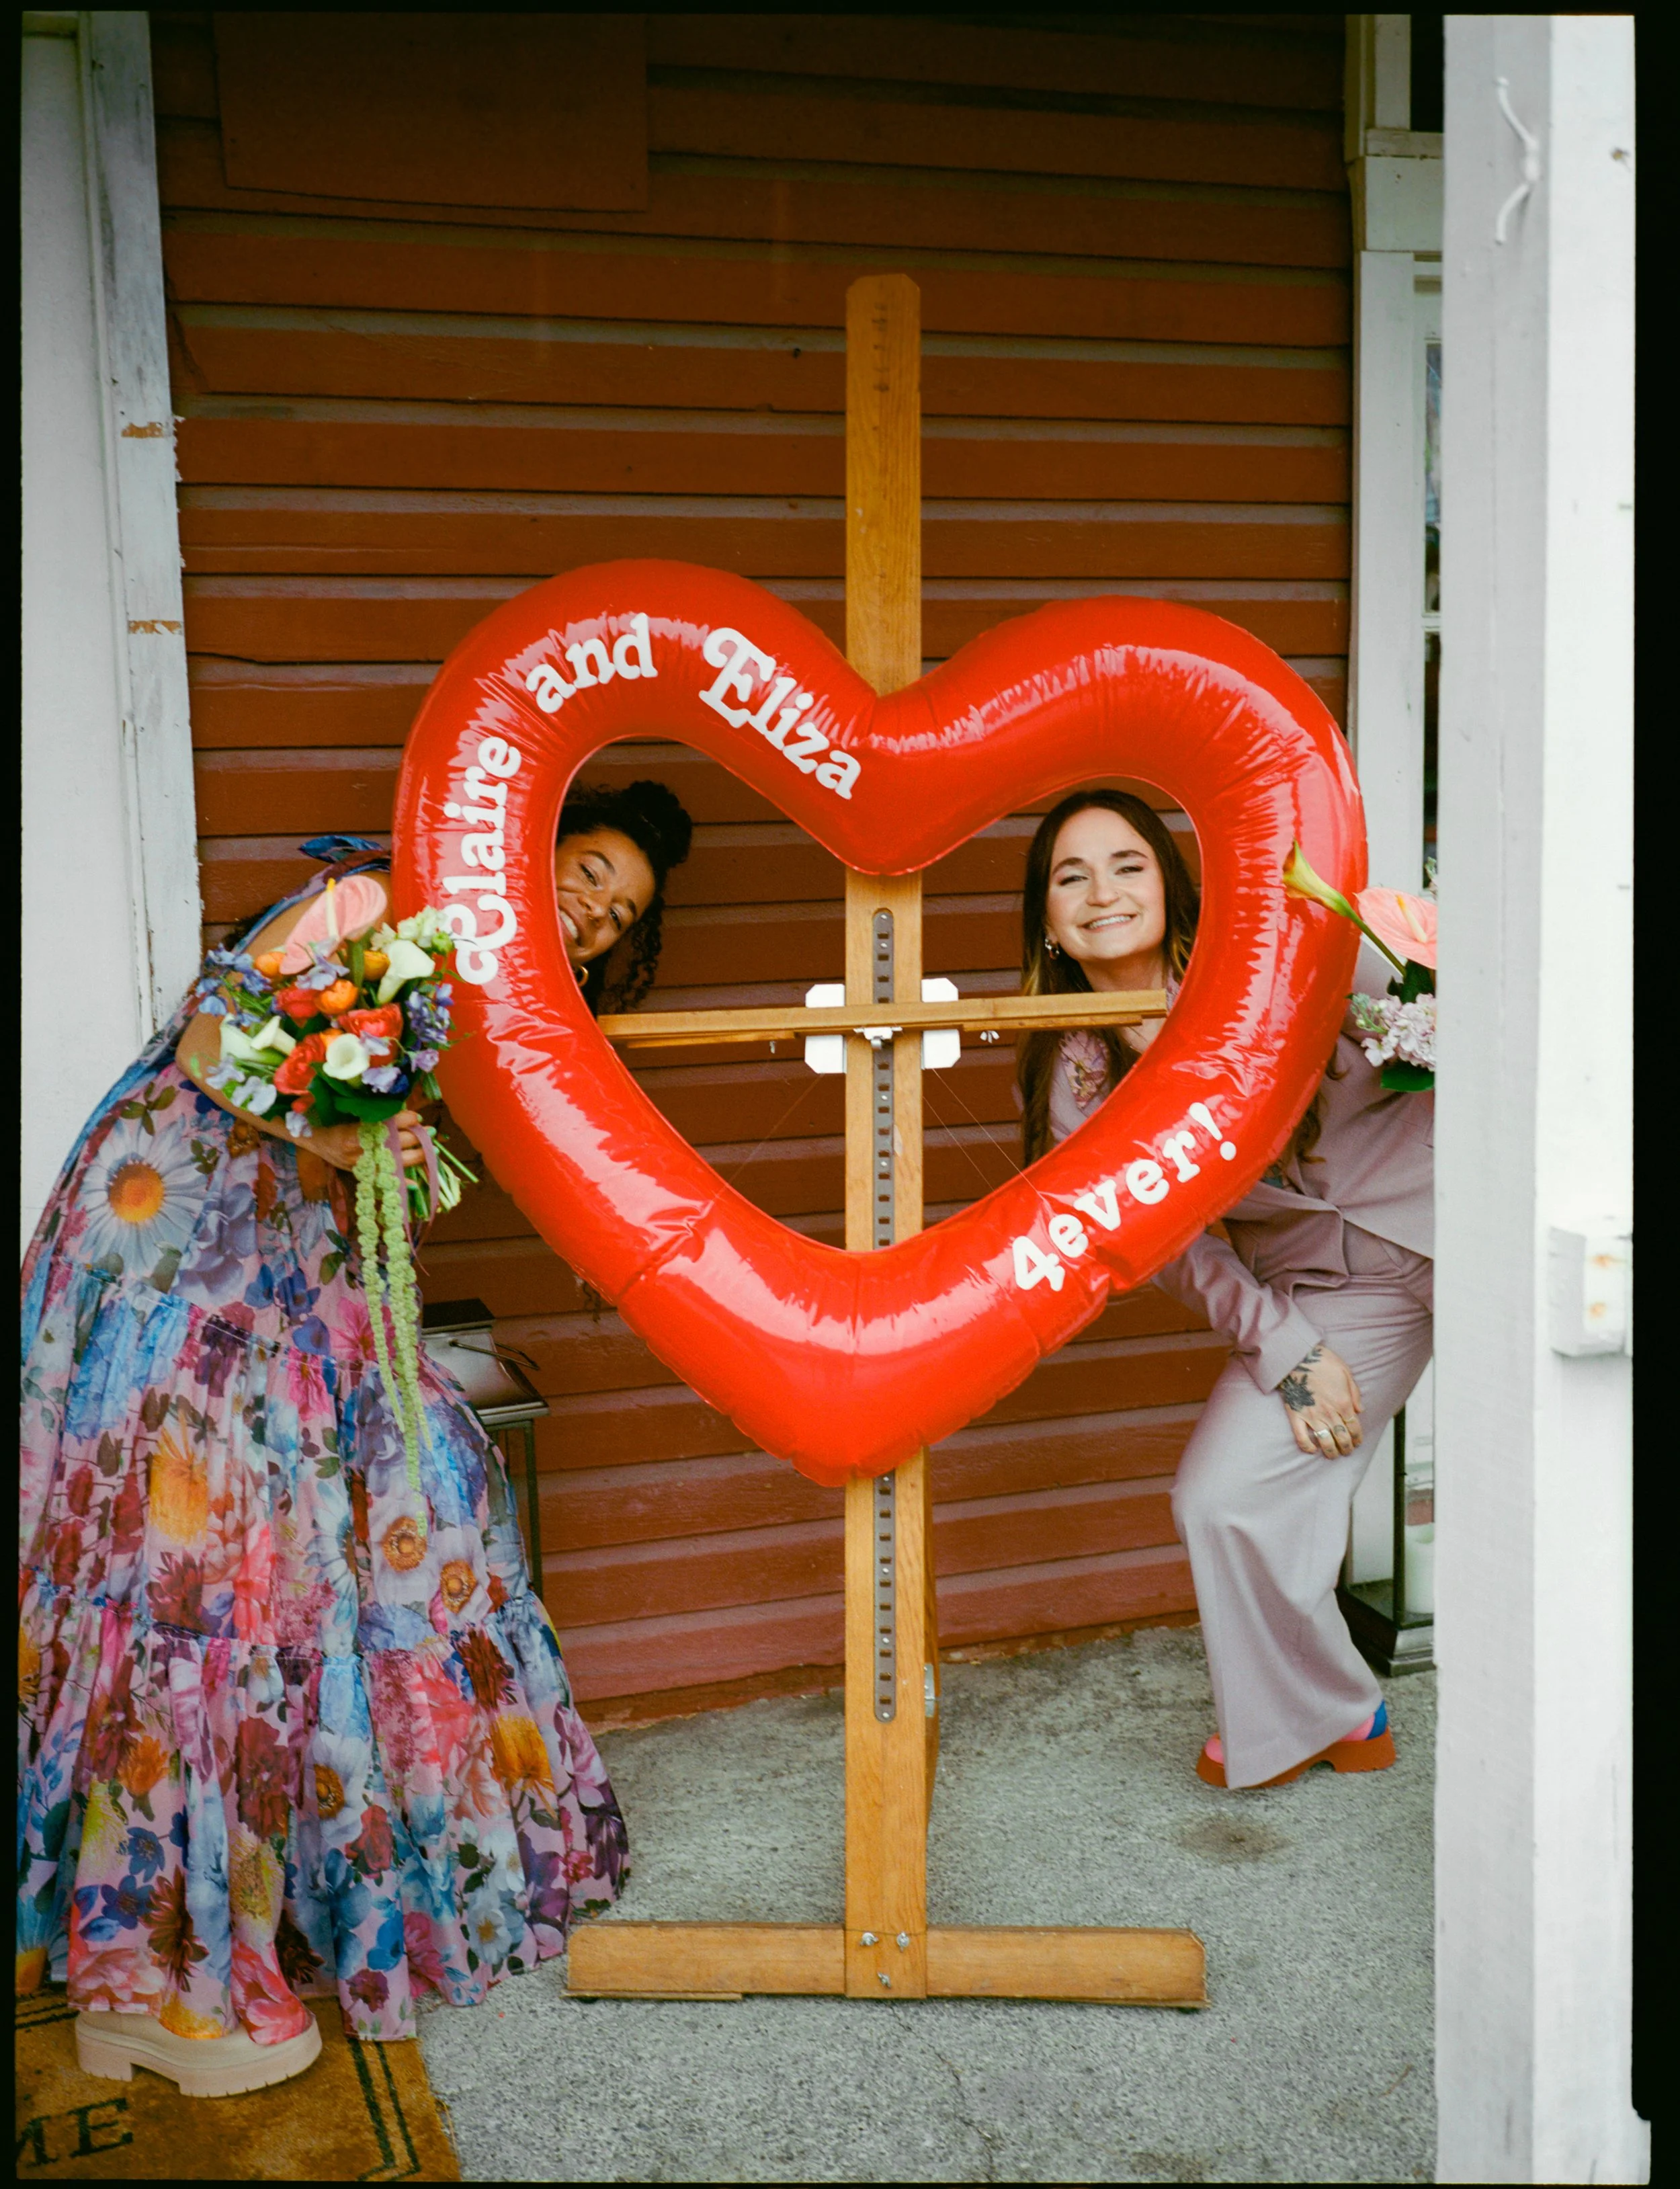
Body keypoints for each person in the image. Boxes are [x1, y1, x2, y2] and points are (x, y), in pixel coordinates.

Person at [19, 780, 693, 2094]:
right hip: (179, 1271)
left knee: (428, 1497)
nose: (595, 912)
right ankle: (144, 1980)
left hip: (304, 1288)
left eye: (617, 916)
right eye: (592, 870)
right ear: (539, 837)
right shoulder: (377, 906)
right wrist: (351, 1122)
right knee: (195, 1598)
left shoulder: (497, 1010)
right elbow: (218, 1042)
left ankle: (361, 1880)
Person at [1018, 788, 1433, 1792]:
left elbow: (1430, 1012)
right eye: (1072, 877)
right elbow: (1164, 1241)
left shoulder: (1282, 951)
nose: (1103, 892)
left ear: (1169, 879)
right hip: (1332, 1291)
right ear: (1048, 922)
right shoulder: (1079, 1075)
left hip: (1471, 1223)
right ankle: (1334, 1707)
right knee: (1220, 1495)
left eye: (1128, 864)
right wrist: (1287, 1349)